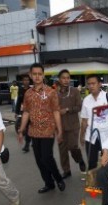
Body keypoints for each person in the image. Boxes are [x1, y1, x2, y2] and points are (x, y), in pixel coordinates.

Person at [17, 63, 66, 193]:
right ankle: (49, 183)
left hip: (48, 130)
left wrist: (59, 130)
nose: (37, 77)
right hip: (34, 131)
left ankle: (58, 178)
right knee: (39, 160)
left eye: (40, 74)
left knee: (46, 157)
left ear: (43, 75)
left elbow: (56, 111)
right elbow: (26, 112)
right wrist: (21, 129)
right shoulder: (27, 94)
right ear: (30, 75)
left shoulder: (51, 92)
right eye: (35, 74)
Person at [80, 75, 108, 170]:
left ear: (99, 84)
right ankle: (93, 183)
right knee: (91, 163)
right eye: (89, 84)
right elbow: (84, 120)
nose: (91, 86)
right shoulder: (86, 100)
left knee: (106, 162)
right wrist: (81, 136)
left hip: (107, 135)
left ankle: (104, 182)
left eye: (93, 83)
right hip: (91, 136)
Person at [56, 69, 86, 178]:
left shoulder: (75, 91)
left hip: (73, 125)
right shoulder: (55, 93)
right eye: (63, 78)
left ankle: (80, 160)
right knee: (62, 150)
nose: (66, 80)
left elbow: (79, 107)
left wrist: (67, 109)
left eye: (68, 78)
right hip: (60, 126)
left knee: (73, 147)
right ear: (59, 79)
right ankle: (66, 170)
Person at [15, 74, 32, 152]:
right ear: (22, 81)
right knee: (26, 127)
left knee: (30, 128)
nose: (26, 81)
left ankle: (28, 144)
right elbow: (18, 102)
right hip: (23, 111)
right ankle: (28, 144)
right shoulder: (20, 90)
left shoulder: (31, 90)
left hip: (32, 112)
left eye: (27, 80)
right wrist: (16, 112)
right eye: (25, 80)